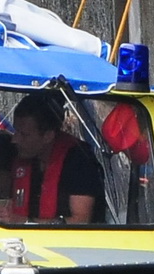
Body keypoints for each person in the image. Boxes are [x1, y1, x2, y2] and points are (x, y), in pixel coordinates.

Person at [7, 92, 103, 225]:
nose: (14, 140)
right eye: (15, 131)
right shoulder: (20, 154)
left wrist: (26, 222)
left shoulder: (80, 160)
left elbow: (81, 220)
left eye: (23, 134)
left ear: (48, 136)